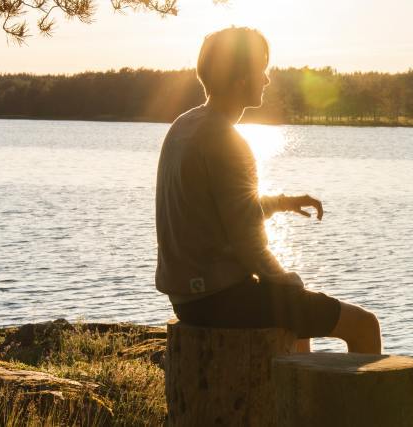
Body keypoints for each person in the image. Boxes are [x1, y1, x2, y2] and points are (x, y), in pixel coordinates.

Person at [155, 27, 381, 354]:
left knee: (295, 313)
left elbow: (225, 210)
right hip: (220, 299)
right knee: (363, 324)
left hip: (187, 298)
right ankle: (365, 406)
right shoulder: (226, 140)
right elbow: (248, 239)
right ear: (242, 80)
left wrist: (281, 203)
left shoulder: (185, 125)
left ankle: (299, 401)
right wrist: (288, 280)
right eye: (261, 70)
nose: (267, 79)